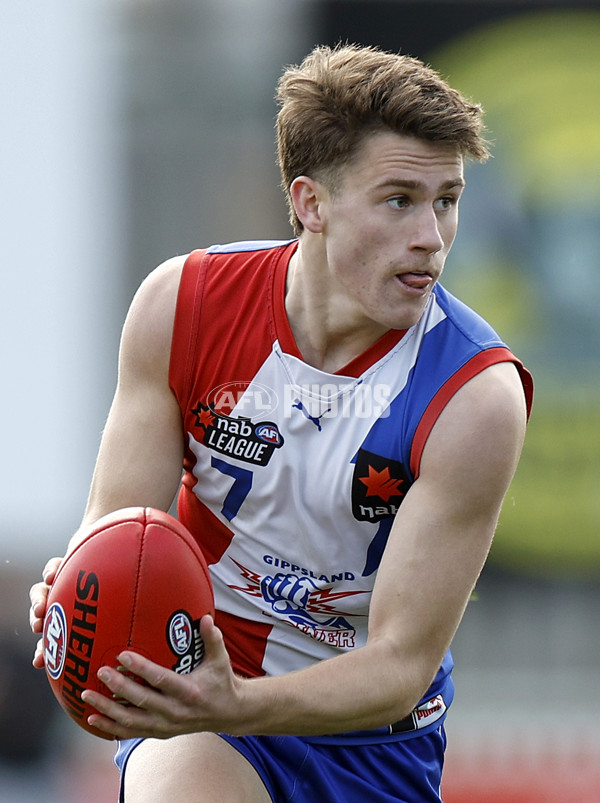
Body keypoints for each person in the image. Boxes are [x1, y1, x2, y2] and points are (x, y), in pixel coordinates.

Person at [29, 43, 533, 802]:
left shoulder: (474, 395)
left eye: (447, 199)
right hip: (203, 703)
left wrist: (245, 702)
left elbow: (398, 666)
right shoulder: (183, 307)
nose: (431, 235)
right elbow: (117, 524)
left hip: (374, 744)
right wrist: (76, 582)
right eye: (399, 199)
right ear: (310, 203)